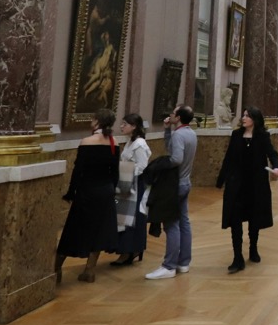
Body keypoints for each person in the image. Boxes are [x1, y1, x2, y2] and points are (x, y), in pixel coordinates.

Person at [55, 109, 120, 284]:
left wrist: (70, 192)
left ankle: (56, 270)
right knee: (98, 230)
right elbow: (115, 174)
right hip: (106, 192)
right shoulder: (114, 143)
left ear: (97, 121)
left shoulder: (87, 142)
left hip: (87, 191)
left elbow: (78, 172)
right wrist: (111, 192)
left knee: (73, 230)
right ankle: (89, 270)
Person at [216, 107, 278, 273]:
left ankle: (253, 247)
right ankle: (237, 257)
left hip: (256, 184)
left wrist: (277, 168)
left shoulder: (262, 136)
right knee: (235, 220)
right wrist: (221, 180)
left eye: (247, 116)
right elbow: (229, 158)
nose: (243, 118)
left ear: (255, 119)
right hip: (236, 184)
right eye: (244, 115)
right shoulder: (236, 135)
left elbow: (272, 154)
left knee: (254, 219)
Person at [145, 105, 197, 280]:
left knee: (171, 224)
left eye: (173, 113)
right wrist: (167, 131)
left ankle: (169, 266)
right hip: (186, 182)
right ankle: (183, 262)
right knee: (184, 222)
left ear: (179, 117)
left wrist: (159, 165)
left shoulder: (179, 134)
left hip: (175, 185)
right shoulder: (191, 133)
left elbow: (176, 158)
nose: (170, 115)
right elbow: (173, 148)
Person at [111, 113, 150, 266]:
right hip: (127, 183)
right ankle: (128, 250)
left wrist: (127, 172)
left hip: (134, 184)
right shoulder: (130, 142)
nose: (121, 126)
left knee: (131, 218)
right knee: (124, 217)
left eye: (125, 124)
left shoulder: (139, 144)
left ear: (134, 126)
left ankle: (130, 250)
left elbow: (142, 166)